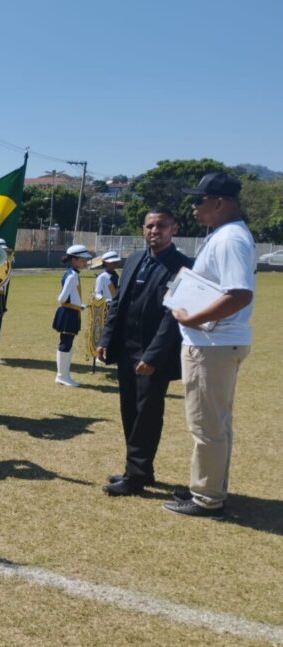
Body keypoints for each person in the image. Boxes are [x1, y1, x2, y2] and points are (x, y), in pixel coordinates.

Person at [164, 172, 256, 519]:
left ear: (220, 203)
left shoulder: (230, 239)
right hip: (217, 343)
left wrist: (191, 318)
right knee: (215, 423)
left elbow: (239, 293)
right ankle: (209, 486)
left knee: (207, 426)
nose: (193, 206)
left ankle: (206, 498)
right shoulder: (226, 235)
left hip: (213, 343)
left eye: (199, 200)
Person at [97, 208, 191, 496]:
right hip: (126, 349)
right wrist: (106, 338)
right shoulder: (135, 260)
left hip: (153, 355)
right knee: (129, 410)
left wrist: (152, 356)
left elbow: (171, 317)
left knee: (147, 414)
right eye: (149, 226)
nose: (154, 231)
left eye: (161, 225)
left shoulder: (184, 266)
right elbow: (118, 304)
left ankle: (135, 477)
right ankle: (141, 469)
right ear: (143, 229)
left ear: (173, 228)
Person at [53, 244, 93, 386]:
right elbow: (62, 298)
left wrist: (79, 306)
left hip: (71, 312)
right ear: (74, 260)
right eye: (83, 260)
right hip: (68, 313)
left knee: (67, 344)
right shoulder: (71, 275)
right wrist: (76, 306)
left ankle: (64, 375)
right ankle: (62, 376)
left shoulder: (72, 273)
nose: (85, 262)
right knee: (66, 344)